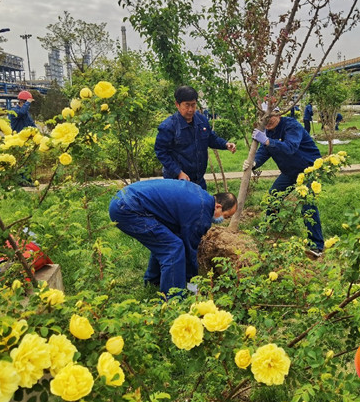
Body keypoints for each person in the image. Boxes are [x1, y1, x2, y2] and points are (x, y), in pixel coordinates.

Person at [108, 179, 237, 297]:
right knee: (173, 248)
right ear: (218, 207)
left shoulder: (200, 195)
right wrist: (193, 285)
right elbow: (190, 251)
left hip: (124, 198)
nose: (223, 221)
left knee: (167, 240)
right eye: (225, 216)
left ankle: (154, 282)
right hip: (128, 209)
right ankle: (173, 299)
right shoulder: (200, 214)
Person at [243, 111, 325, 258]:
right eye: (264, 118)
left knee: (308, 205)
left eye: (270, 117)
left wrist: (267, 141)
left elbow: (290, 147)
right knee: (273, 196)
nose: (267, 121)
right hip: (290, 171)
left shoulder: (292, 126)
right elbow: (264, 151)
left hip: (308, 169)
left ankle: (316, 245)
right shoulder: (268, 131)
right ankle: (268, 227)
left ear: (279, 114)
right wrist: (253, 163)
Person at [155, 86, 236, 190]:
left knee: (202, 205)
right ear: (177, 105)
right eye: (187, 105)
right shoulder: (168, 127)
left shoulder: (202, 121)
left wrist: (225, 144)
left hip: (198, 180)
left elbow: (211, 138)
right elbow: (161, 152)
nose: (190, 109)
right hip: (177, 181)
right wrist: (178, 172)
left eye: (193, 105)